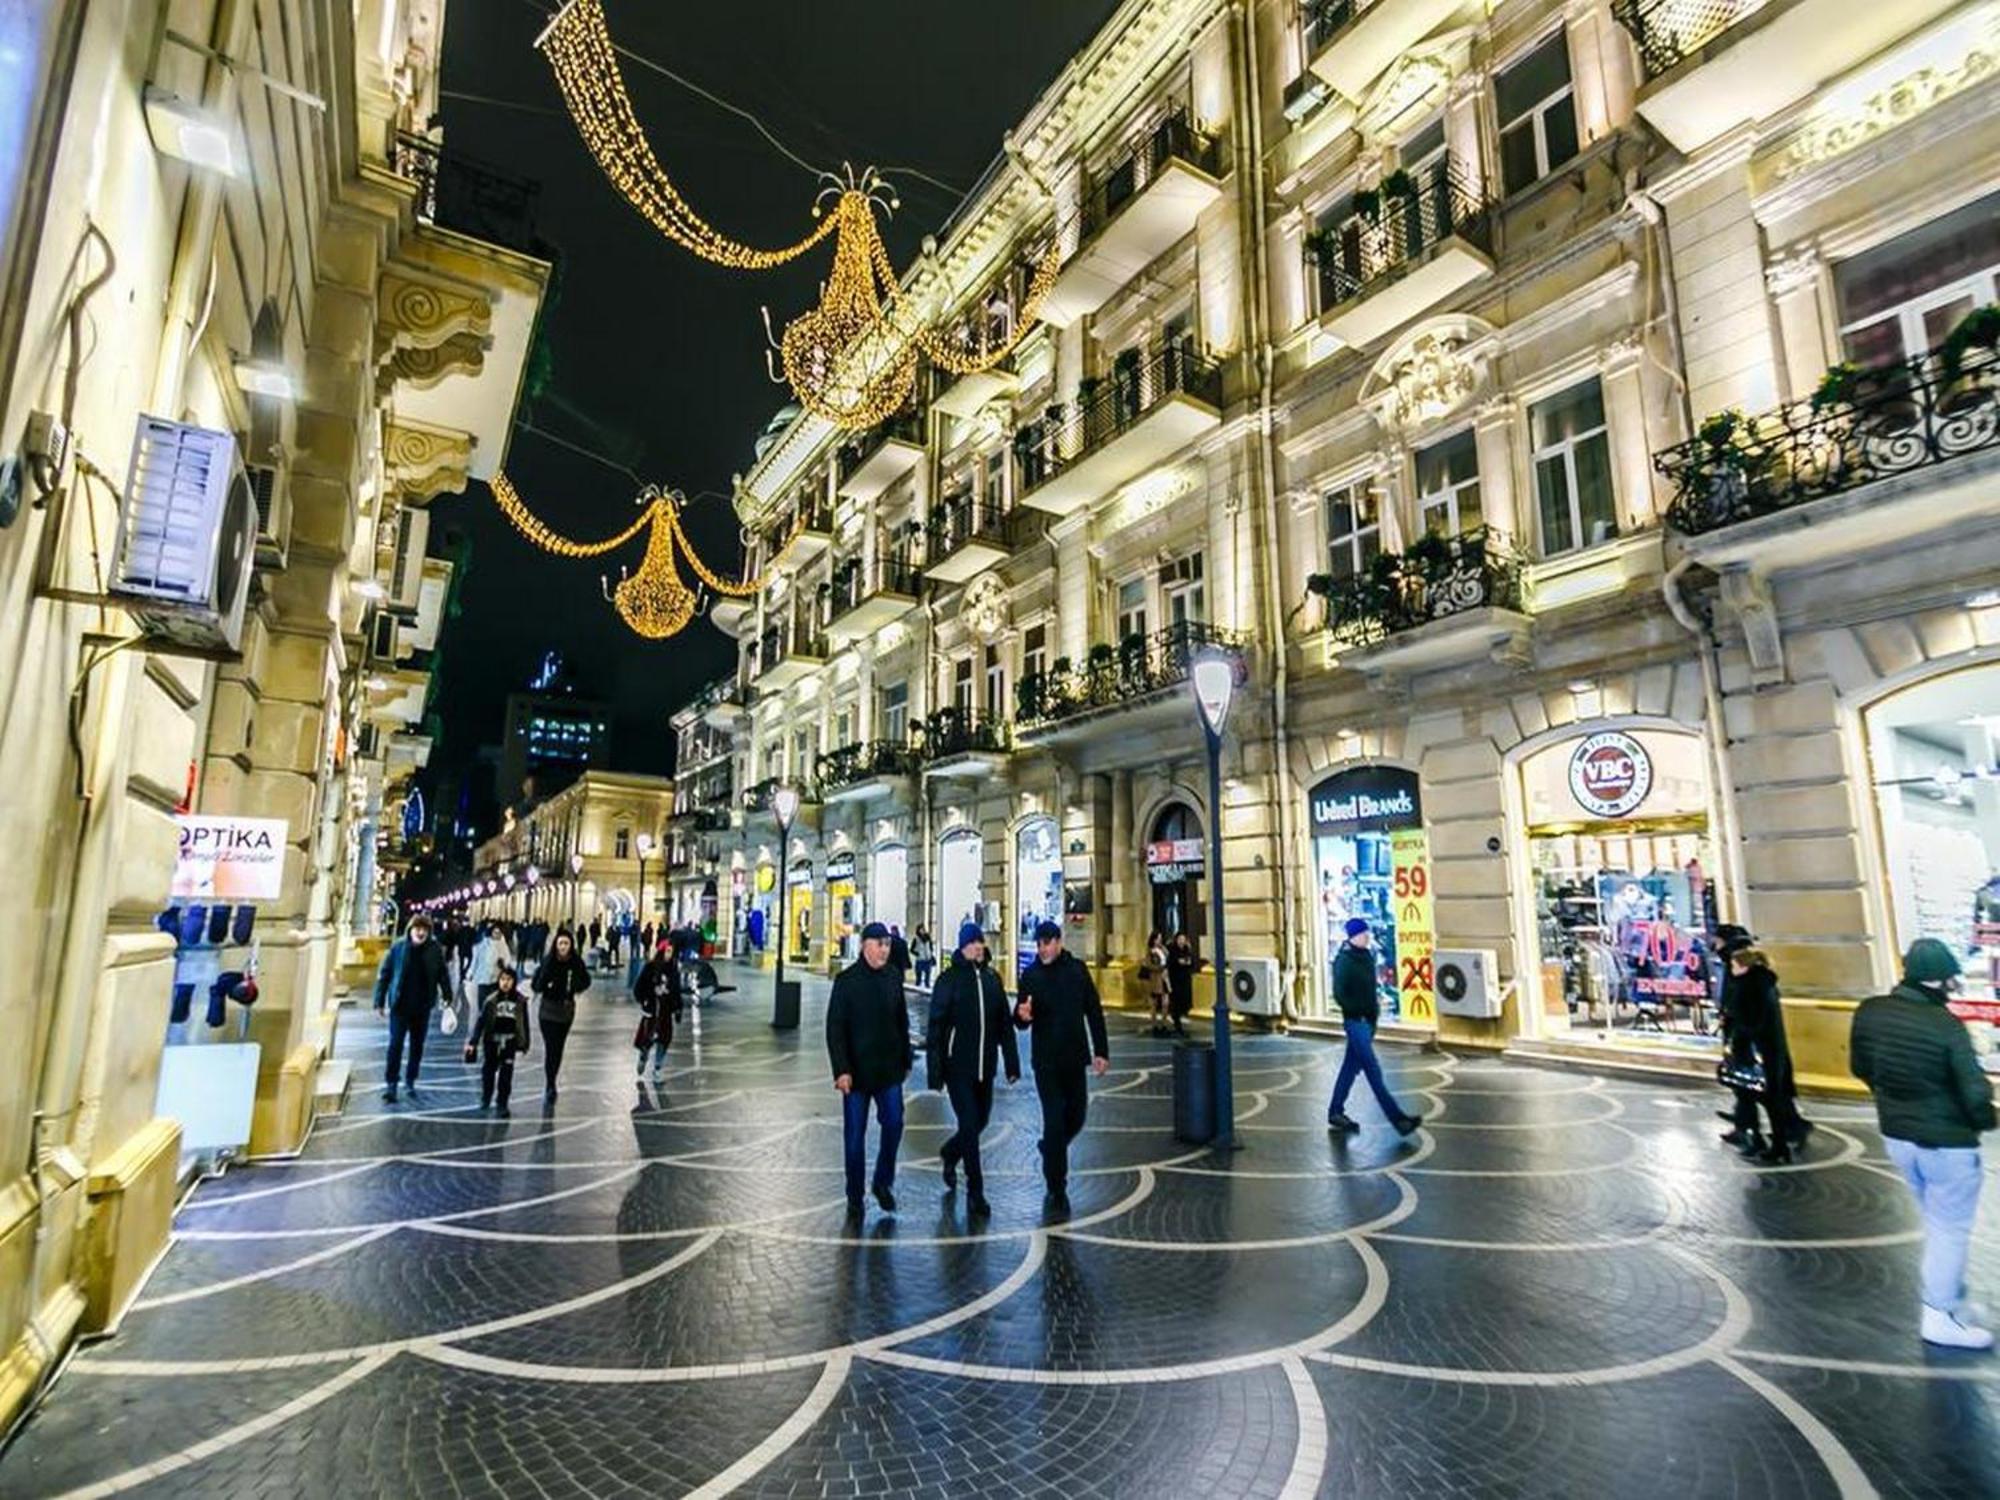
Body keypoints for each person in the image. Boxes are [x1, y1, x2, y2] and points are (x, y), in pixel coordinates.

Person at [1851, 939, 1997, 1349]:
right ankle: (1940, 1313)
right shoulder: (1945, 1026)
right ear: (1942, 979)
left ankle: (1952, 1302)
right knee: (1949, 1227)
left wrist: (1894, 1100)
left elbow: (1860, 1066)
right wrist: (1983, 1121)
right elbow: (1973, 1092)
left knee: (1937, 1222)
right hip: (1947, 1142)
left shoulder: (1871, 1012)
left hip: (1898, 1136)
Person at [1013, 919, 1109, 1213]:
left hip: (1074, 1059)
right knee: (1054, 1121)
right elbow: (1019, 1019)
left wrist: (1101, 1051)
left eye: (1047, 943)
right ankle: (1056, 1184)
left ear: (1059, 942)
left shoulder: (1077, 971)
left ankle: (1050, 1148)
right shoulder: (1030, 976)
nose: (1042, 948)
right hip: (1046, 1063)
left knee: (1077, 1117)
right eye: (1039, 943)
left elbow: (1093, 1011)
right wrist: (1022, 1016)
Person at [927, 921, 1020, 1218]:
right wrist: (936, 1071)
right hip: (959, 1070)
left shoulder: (993, 979)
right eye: (973, 943)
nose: (978, 947)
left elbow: (1004, 1025)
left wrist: (1012, 1064)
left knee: (979, 1123)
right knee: (969, 1124)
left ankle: (950, 1153)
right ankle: (976, 1193)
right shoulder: (949, 980)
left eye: (980, 942)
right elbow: (937, 1028)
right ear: (963, 947)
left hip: (986, 1069)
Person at [826, 921, 913, 1216]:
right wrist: (841, 1070)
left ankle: (882, 1181)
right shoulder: (846, 981)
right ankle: (854, 1195)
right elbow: (835, 1029)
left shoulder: (892, 978)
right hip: (856, 1074)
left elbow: (901, 1021)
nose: (885, 950)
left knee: (895, 1123)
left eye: (888, 945)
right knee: (854, 1138)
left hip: (889, 1071)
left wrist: (906, 1058)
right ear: (865, 946)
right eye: (880, 944)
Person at [1326, 917, 1421, 1137]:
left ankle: (1335, 1111)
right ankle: (1399, 1120)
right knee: (1373, 1071)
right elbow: (1340, 993)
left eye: (1367, 933)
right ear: (1353, 937)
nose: (1367, 936)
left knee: (1349, 1069)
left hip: (1367, 1022)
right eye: (1363, 934)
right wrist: (1357, 1010)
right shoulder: (1344, 961)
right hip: (1356, 1022)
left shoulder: (1367, 956)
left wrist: (1373, 1015)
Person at [1716, 936, 1804, 1163]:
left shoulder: (1750, 989)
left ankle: (1773, 1141)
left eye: (1734, 966)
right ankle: (1766, 1138)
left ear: (1743, 967)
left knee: (1762, 1097)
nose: (1731, 970)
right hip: (1767, 1052)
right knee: (1762, 1098)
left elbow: (1751, 1022)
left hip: (1757, 1054)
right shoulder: (1762, 984)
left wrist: (1734, 1029)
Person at [373, 914, 454, 1102]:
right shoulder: (398, 947)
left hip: (422, 1007)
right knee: (395, 1046)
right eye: (417, 928)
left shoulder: (435, 950)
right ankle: (391, 1084)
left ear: (429, 932)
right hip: (400, 1006)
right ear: (410, 929)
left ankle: (410, 1080)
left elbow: (443, 975)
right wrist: (379, 1001)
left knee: (417, 1047)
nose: (420, 932)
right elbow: (385, 974)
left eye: (424, 929)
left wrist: (447, 996)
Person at [531, 929, 592, 1105]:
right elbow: (537, 984)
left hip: (565, 1011)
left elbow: (586, 981)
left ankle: (552, 1079)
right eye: (560, 943)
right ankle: (550, 1084)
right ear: (555, 945)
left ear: (571, 945)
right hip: (548, 1011)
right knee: (551, 1047)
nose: (563, 947)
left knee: (558, 1049)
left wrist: (575, 987)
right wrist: (546, 979)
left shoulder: (576, 962)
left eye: (566, 943)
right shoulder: (548, 961)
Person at [464, 963, 531, 1115]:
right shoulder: (491, 1001)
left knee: (506, 1074)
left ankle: (502, 1103)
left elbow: (524, 1022)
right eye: (502, 979)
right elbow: (481, 1022)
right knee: (488, 1071)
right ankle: (486, 1097)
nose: (505, 983)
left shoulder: (520, 1002)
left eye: (509, 979)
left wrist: (525, 1042)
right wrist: (473, 1042)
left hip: (510, 1041)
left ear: (514, 981)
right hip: (492, 1041)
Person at [632, 937, 682, 1084]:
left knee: (664, 1040)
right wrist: (646, 999)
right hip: (652, 1011)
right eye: (667, 951)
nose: (669, 955)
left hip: (666, 1012)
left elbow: (676, 990)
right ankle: (643, 1056)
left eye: (671, 952)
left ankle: (658, 1068)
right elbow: (639, 987)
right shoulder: (651, 967)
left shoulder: (673, 970)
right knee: (647, 1039)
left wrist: (678, 1008)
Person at [1165, 931, 1201, 1037]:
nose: (1181, 941)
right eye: (1179, 939)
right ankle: (1177, 1024)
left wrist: (1187, 963)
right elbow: (1171, 964)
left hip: (1185, 980)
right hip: (1175, 980)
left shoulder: (1187, 950)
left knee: (1184, 1001)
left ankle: (1179, 1019)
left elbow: (1192, 963)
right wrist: (1179, 962)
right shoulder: (1172, 950)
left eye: (1183, 939)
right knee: (1176, 1002)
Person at [468, 920, 512, 1008]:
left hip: (496, 979)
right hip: (483, 978)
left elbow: (508, 960)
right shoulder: (483, 945)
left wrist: (503, 963)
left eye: (499, 932)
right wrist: (471, 972)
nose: (497, 934)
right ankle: (482, 1017)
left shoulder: (503, 945)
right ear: (491, 932)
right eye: (495, 932)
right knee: (482, 1003)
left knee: (493, 1003)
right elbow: (476, 960)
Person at [1142, 930, 1171, 1036]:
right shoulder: (1150, 952)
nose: (1160, 940)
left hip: (1164, 979)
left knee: (1165, 1002)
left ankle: (1163, 1024)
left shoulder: (1163, 949)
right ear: (1153, 940)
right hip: (1154, 979)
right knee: (1154, 1003)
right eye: (1158, 938)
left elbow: (1168, 959)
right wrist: (1160, 968)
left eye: (1160, 938)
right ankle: (1154, 1025)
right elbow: (1149, 965)